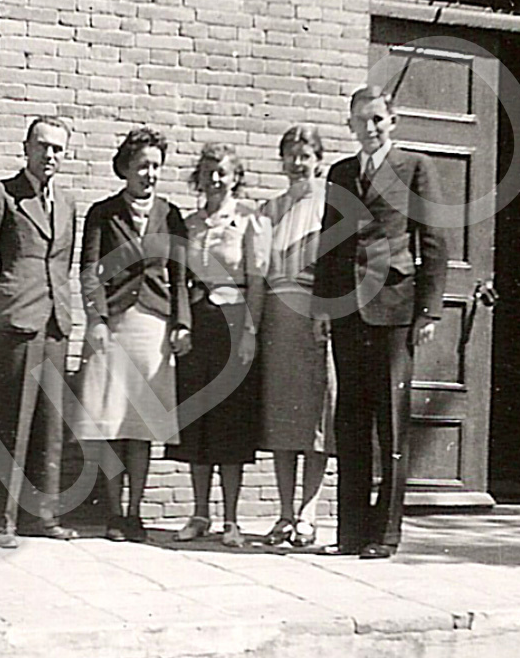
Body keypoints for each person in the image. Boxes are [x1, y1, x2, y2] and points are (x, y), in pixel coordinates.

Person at [313, 85, 448, 559]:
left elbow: (433, 240)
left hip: (394, 308)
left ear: (392, 121)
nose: (369, 128)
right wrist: (323, 307)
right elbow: (329, 243)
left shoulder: (415, 167)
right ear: (349, 124)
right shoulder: (340, 173)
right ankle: (350, 532)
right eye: (361, 120)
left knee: (390, 421)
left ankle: (385, 533)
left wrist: (428, 310)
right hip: (348, 310)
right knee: (350, 419)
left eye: (377, 119)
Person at [0, 116, 79, 548]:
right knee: (11, 421)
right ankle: (1, 520)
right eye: (43, 146)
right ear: (27, 148)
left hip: (55, 323)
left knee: (50, 424)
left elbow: (62, 263)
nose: (50, 155)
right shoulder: (1, 194)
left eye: (58, 149)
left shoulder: (67, 202)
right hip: (15, 324)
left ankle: (42, 516)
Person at [72, 127, 191, 542]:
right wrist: (96, 318)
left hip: (153, 326)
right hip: (114, 324)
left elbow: (180, 275)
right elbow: (89, 271)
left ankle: (136, 513)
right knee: (112, 421)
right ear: (125, 167)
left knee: (140, 425)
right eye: (142, 166)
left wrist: (182, 323)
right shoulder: (103, 213)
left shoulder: (171, 216)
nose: (149, 174)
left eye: (156, 166)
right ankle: (114, 512)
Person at [167, 143, 269, 548]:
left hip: (233, 324)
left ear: (235, 177)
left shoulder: (249, 220)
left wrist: (249, 333)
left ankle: (231, 520)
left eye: (223, 172)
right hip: (198, 324)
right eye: (208, 171)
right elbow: (179, 279)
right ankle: (199, 514)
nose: (215, 179)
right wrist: (182, 325)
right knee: (197, 421)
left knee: (230, 422)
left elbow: (257, 282)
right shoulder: (189, 223)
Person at [258, 124, 335, 549]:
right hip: (276, 318)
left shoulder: (330, 207)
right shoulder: (269, 209)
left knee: (314, 418)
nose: (297, 162)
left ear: (319, 161)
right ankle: (284, 512)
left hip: (313, 317)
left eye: (305, 155)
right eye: (290, 154)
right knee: (281, 418)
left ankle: (309, 513)